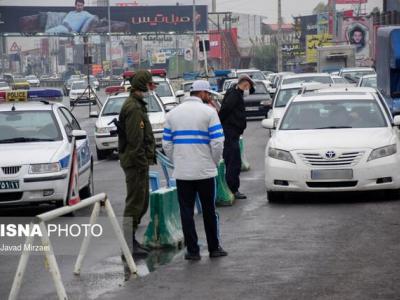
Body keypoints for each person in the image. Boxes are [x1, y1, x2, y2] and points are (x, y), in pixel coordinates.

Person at [163, 80, 227, 261]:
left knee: (186, 211)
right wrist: (214, 162)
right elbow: (217, 143)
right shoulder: (209, 112)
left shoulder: (172, 114)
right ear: (203, 93)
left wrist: (177, 161)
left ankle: (193, 251)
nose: (210, 98)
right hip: (205, 171)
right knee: (209, 210)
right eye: (209, 94)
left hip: (183, 173)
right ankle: (214, 248)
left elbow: (166, 144)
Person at [119, 70, 157, 259]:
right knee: (135, 203)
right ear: (142, 85)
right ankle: (127, 245)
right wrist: (142, 163)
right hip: (135, 163)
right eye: (150, 84)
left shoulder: (137, 105)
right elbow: (136, 141)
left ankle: (131, 241)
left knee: (141, 203)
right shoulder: (133, 108)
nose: (152, 88)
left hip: (139, 163)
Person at [218, 74, 254, 200]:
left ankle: (232, 188)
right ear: (244, 84)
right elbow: (225, 110)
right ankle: (232, 189)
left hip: (233, 132)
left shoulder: (236, 93)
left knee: (233, 161)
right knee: (233, 162)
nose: (248, 89)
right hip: (230, 132)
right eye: (248, 86)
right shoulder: (234, 94)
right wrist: (222, 124)